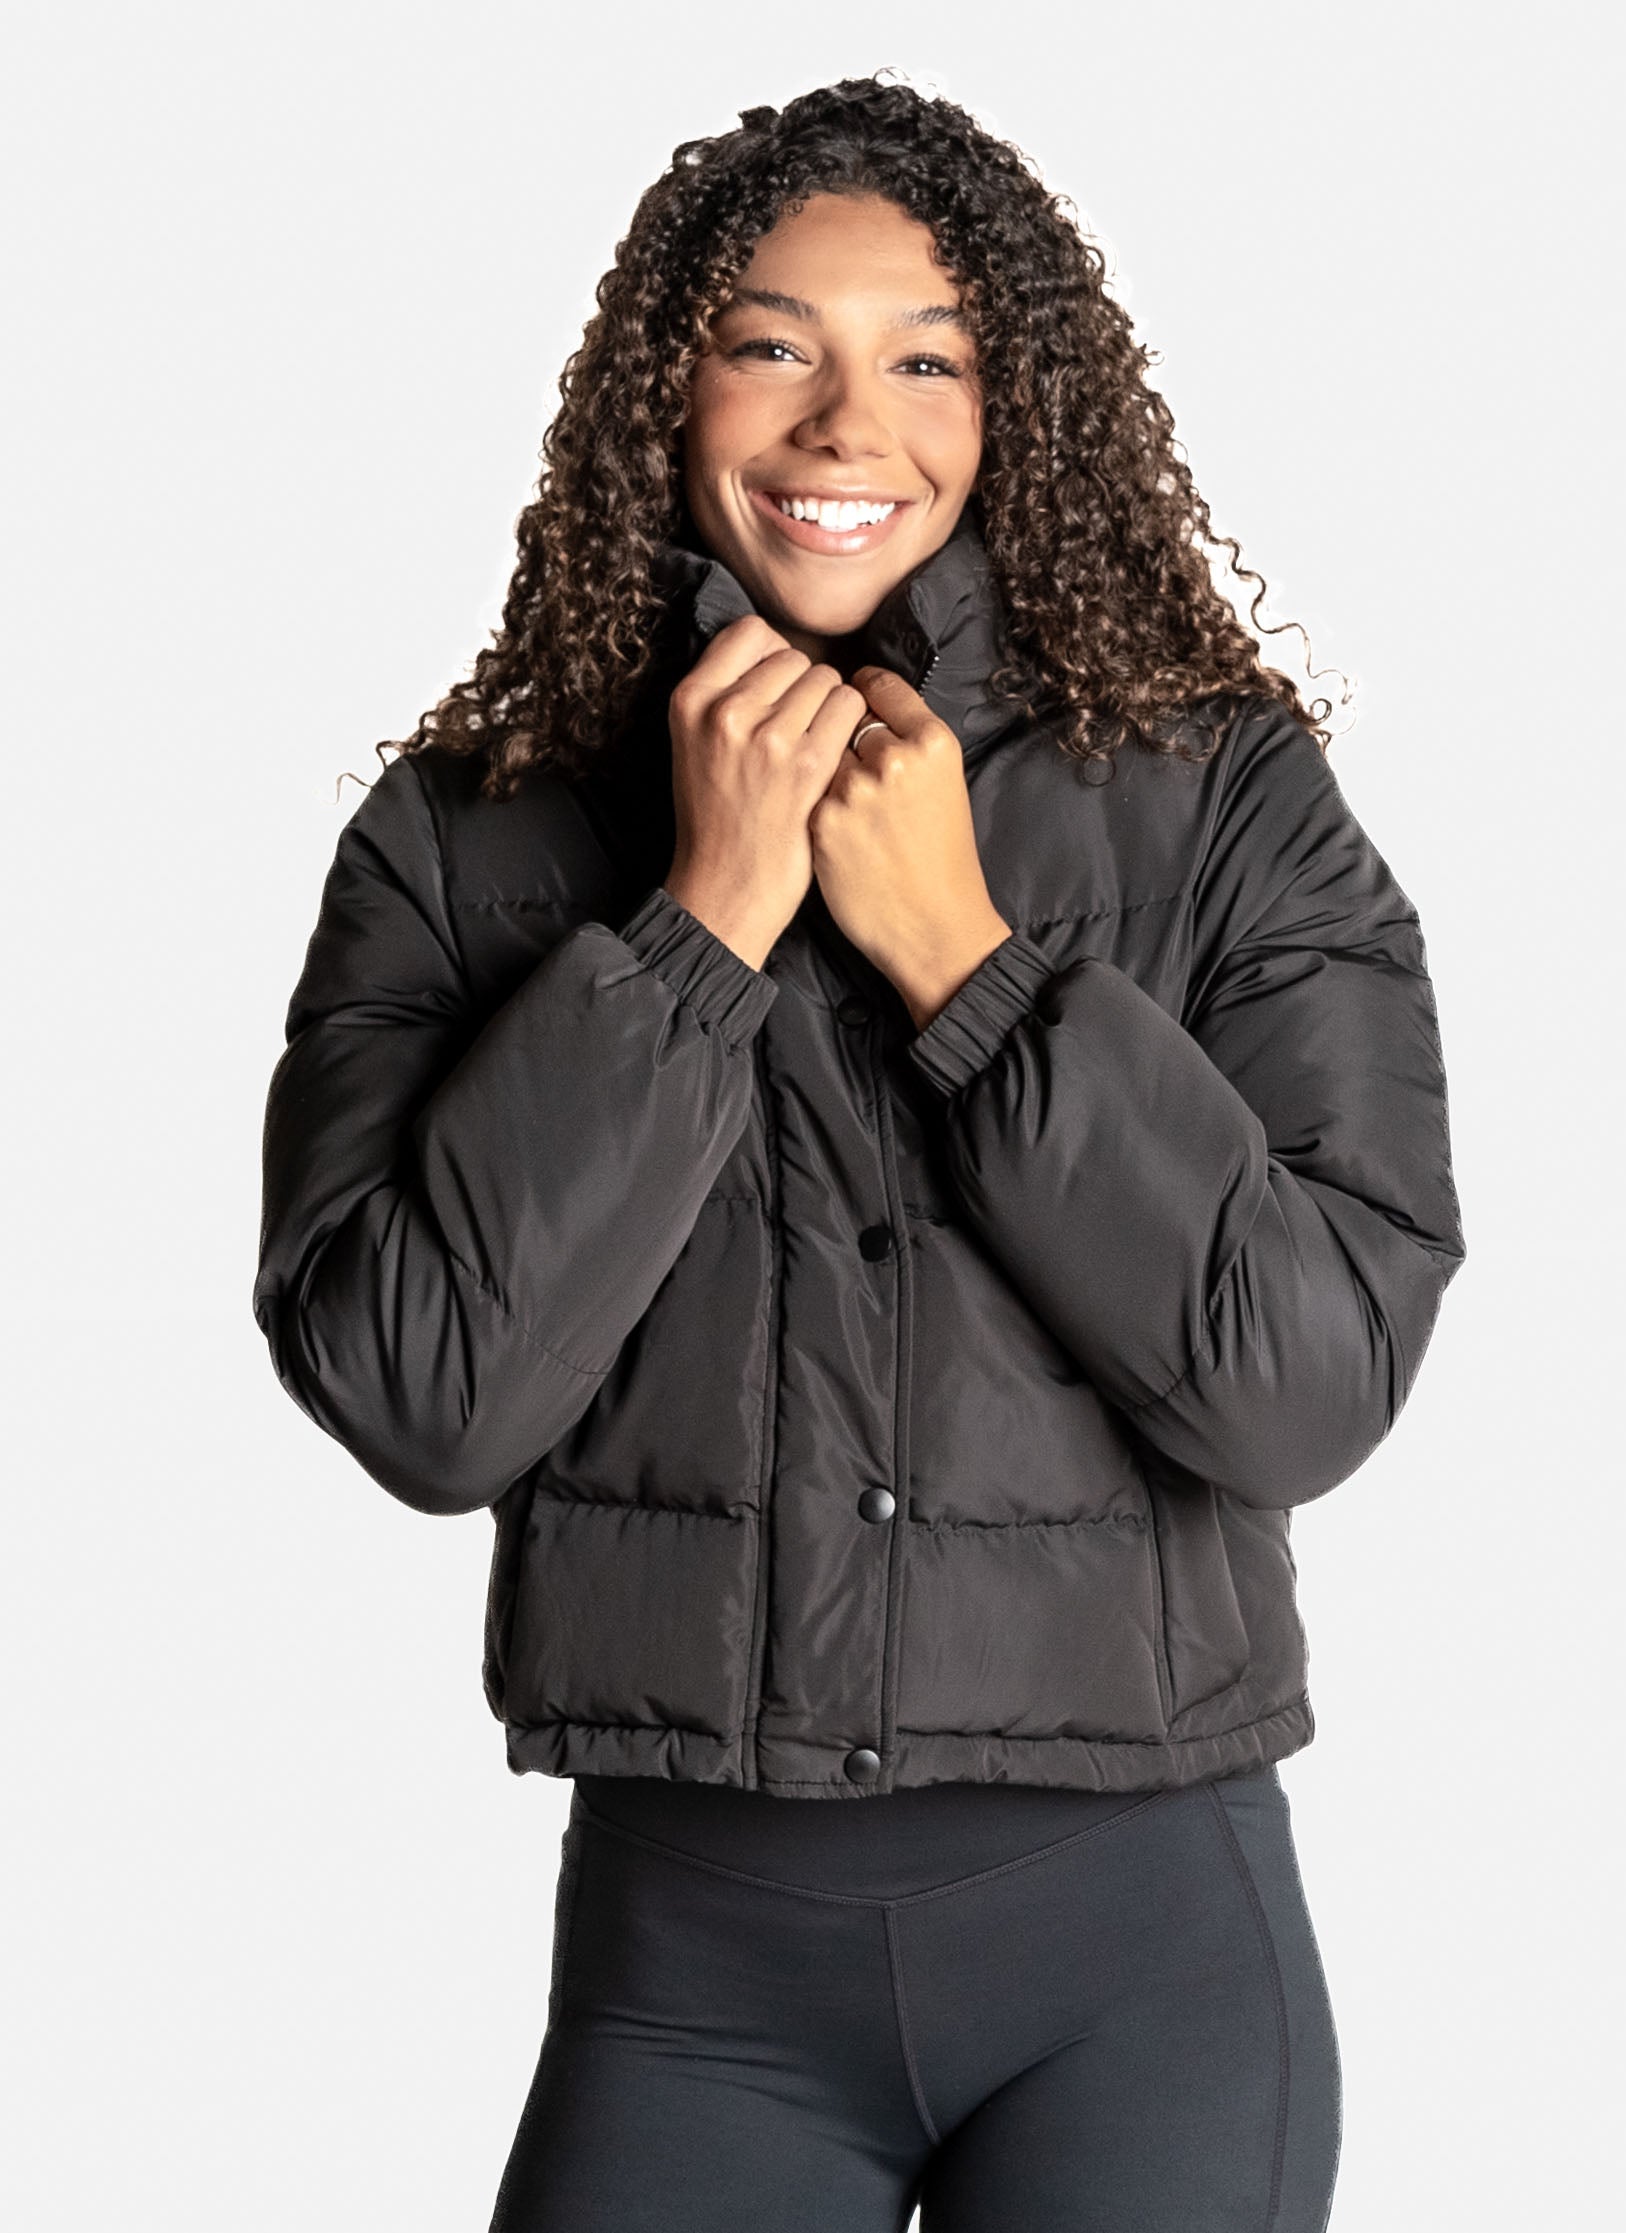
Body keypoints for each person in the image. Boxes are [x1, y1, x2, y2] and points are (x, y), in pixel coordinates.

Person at [252, 75, 1465, 2233]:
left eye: (926, 359)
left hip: (1145, 1967)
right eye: (770, 343)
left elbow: (1304, 1384)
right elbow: (422, 1396)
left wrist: (970, 970)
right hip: (684, 1989)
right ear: (666, 386)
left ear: (1018, 410)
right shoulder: (464, 831)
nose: (846, 424)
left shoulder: (1223, 798)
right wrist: (695, 927)